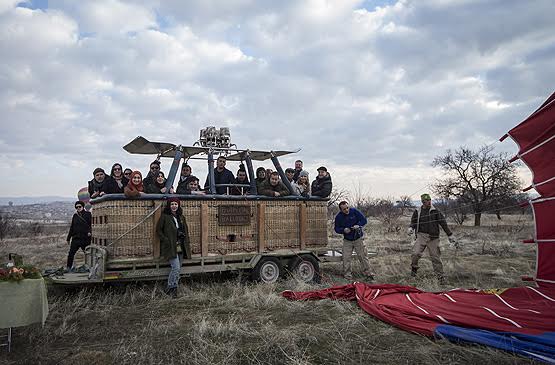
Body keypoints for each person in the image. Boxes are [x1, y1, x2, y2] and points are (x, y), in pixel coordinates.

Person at [408, 194, 455, 284]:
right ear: (422, 202)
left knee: (435, 257)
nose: (429, 202)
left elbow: (443, 223)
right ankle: (414, 269)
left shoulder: (435, 211)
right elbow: (413, 222)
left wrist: (450, 235)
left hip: (433, 238)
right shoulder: (417, 211)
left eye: (429, 200)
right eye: (426, 201)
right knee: (415, 253)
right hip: (421, 236)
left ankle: (440, 277)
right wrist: (411, 228)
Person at [156, 197, 190, 298]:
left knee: (178, 269)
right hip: (170, 245)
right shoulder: (165, 216)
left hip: (180, 245)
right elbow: (159, 230)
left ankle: (173, 290)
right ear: (169, 206)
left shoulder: (181, 217)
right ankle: (171, 288)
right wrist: (166, 240)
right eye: (172, 204)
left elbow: (185, 230)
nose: (174, 206)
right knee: (176, 268)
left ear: (178, 205)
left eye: (175, 204)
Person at [334, 201, 373, 281]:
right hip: (347, 240)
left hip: (358, 238)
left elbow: (364, 220)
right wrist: (343, 230)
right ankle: (347, 275)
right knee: (346, 258)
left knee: (363, 256)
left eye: (347, 208)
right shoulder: (338, 217)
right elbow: (336, 229)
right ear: (341, 210)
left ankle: (368, 273)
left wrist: (358, 225)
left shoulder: (354, 211)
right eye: (344, 209)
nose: (346, 210)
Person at [66, 200, 92, 272]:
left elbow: (92, 225)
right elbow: (72, 227)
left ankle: (90, 268)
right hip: (76, 239)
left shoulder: (88, 214)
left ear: (83, 207)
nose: (78, 208)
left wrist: (90, 232)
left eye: (79, 206)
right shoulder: (75, 216)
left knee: (88, 254)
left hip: (85, 239)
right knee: (71, 254)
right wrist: (68, 238)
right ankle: (68, 268)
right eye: (76, 207)